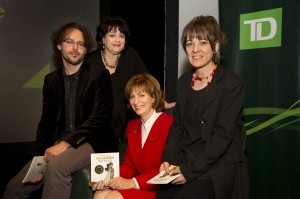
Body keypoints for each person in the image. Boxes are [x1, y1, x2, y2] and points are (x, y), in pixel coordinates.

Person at [3, 22, 118, 199]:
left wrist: (65, 144)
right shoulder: (51, 80)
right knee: (14, 187)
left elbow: (99, 119)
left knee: (57, 166)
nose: (75, 48)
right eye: (70, 42)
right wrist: (40, 158)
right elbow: (46, 122)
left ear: (86, 49)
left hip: (91, 140)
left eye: (81, 44)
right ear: (59, 45)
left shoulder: (99, 75)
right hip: (59, 142)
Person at [155, 15, 250, 199]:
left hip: (215, 167)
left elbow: (223, 136)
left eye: (203, 42)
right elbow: (178, 127)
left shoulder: (232, 83)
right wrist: (168, 160)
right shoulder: (183, 82)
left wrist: (188, 172)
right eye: (190, 43)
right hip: (184, 162)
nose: (195, 49)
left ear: (215, 47)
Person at [86, 16, 175, 140]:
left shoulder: (130, 55)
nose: (118, 39)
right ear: (103, 39)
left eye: (121, 36)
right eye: (112, 35)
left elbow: (148, 80)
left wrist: (162, 102)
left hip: (126, 123)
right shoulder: (90, 61)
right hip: (97, 126)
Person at [91, 74, 174, 199]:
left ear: (154, 98)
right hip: (139, 185)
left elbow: (169, 169)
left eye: (141, 95)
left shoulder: (168, 123)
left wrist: (132, 183)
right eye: (132, 96)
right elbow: (129, 165)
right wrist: (108, 180)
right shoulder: (133, 126)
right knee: (100, 193)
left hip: (159, 189)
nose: (135, 101)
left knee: (112, 197)